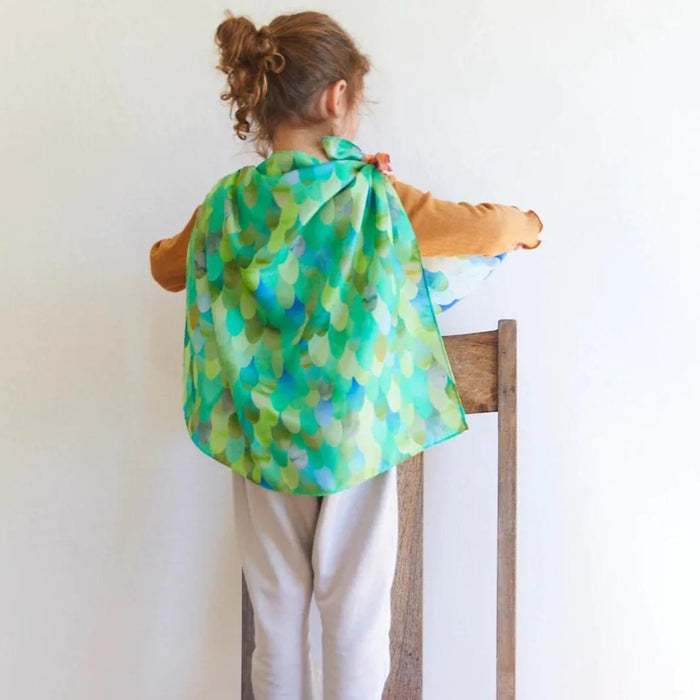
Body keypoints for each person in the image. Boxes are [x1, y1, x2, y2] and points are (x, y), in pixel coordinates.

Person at [149, 10, 543, 700]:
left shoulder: (227, 205)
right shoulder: (371, 195)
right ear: (338, 98)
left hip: (263, 443)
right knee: (356, 619)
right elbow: (492, 231)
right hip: (355, 436)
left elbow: (166, 267)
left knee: (275, 620)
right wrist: (531, 226)